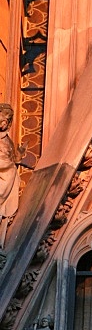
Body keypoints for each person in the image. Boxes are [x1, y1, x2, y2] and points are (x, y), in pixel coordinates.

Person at [0, 103, 21, 247]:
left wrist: (17, 157)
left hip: (8, 177)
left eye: (5, 121)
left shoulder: (8, 141)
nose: (2, 124)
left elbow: (11, 158)